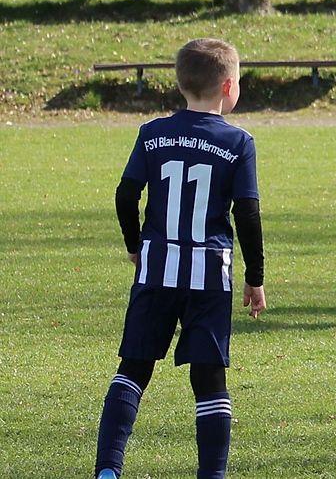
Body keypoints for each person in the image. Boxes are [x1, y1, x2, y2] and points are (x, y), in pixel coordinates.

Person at [94, 38, 266, 479]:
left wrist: (134, 245)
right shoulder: (238, 142)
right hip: (209, 276)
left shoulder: (152, 134)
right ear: (228, 87)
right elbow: (247, 213)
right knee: (209, 380)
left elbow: (126, 194)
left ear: (180, 83)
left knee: (134, 368)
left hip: (156, 270)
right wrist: (255, 276)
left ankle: (108, 469)